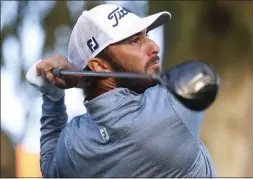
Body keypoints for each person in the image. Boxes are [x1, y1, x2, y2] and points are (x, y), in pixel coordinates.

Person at [26, 4, 216, 177]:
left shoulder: (74, 146)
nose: (154, 47)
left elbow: (50, 167)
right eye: (135, 40)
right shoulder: (170, 111)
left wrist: (53, 97)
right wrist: (80, 80)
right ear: (99, 66)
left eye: (146, 36)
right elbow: (203, 76)